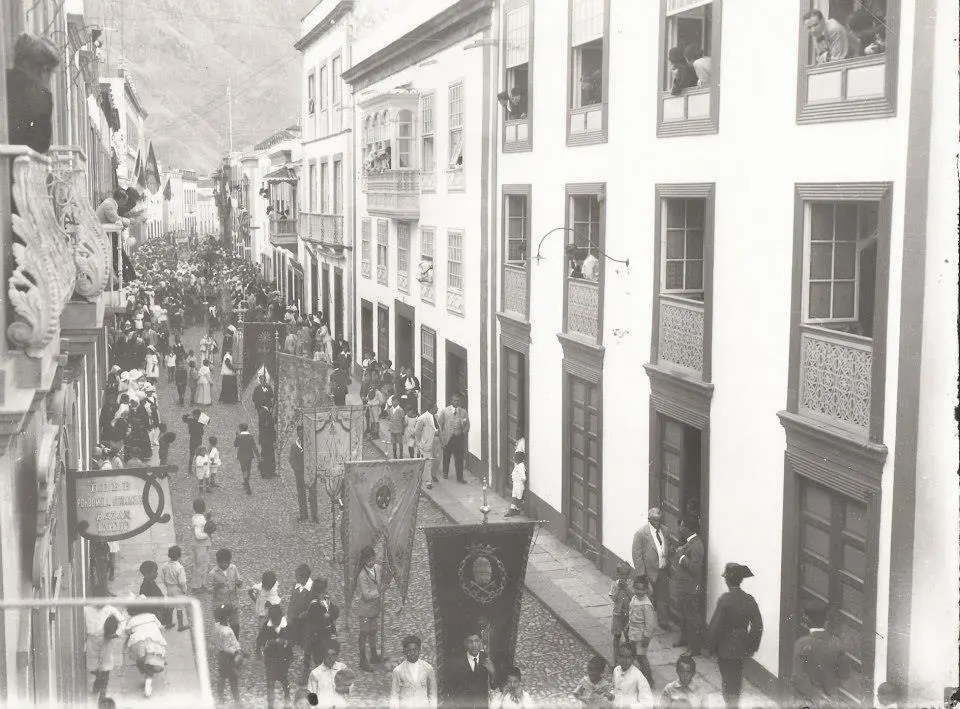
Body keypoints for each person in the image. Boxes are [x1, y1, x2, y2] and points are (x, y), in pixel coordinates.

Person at [706, 563, 763, 708]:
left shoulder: (725, 599)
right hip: (742, 647)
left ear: (727, 580)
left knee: (727, 680)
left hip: (725, 648)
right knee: (737, 678)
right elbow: (758, 626)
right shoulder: (749, 599)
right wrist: (751, 645)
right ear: (740, 580)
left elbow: (715, 627)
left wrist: (710, 647)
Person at [791, 601, 851, 709]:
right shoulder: (837, 643)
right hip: (832, 701)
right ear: (825, 621)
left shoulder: (802, 644)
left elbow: (797, 676)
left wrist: (815, 696)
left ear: (806, 620)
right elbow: (845, 674)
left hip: (809, 701)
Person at [6, 33, 59, 154]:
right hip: (17, 170)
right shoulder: (42, 97)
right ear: (43, 70)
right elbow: (40, 146)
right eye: (51, 73)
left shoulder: (3, 80)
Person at [631, 508, 672, 630]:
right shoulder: (641, 533)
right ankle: (643, 623)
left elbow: (667, 547)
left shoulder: (665, 531)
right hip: (648, 573)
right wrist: (642, 574)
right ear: (649, 519)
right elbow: (637, 555)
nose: (657, 523)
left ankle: (663, 622)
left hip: (662, 570)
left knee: (663, 598)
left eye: (659, 520)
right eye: (655, 521)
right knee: (646, 598)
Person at [672, 521, 704, 656]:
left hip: (690, 588)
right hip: (684, 587)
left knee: (691, 618)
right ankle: (685, 639)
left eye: (682, 525)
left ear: (688, 528)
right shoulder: (690, 542)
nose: (680, 528)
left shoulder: (696, 545)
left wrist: (682, 557)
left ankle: (694, 648)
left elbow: (695, 569)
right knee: (684, 615)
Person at [122, 603, 168, 698]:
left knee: (140, 660)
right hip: (153, 641)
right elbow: (161, 628)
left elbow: (128, 632)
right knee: (152, 664)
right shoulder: (152, 616)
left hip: (139, 642)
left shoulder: (131, 620)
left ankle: (145, 672)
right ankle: (148, 682)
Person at [257, 603, 294, 709]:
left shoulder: (287, 625)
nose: (274, 623)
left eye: (276, 620)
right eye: (272, 620)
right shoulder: (266, 625)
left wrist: (285, 641)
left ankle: (287, 697)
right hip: (270, 658)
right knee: (270, 680)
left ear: (281, 617)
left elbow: (294, 639)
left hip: (285, 658)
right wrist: (269, 642)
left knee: (283, 677)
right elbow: (260, 640)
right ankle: (270, 703)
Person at [447, 630, 497, 709]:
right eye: (470, 642)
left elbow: (494, 686)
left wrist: (493, 672)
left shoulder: (486, 659)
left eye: (477, 641)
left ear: (480, 642)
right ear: (465, 643)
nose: (474, 645)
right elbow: (451, 688)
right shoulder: (456, 662)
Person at [287, 564, 318, 684]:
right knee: (295, 641)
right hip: (295, 622)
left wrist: (306, 614)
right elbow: (292, 601)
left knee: (308, 647)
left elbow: (314, 607)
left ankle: (306, 672)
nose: (295, 578)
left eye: (297, 576)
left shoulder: (312, 589)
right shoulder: (296, 586)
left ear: (303, 577)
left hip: (307, 624)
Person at [85, 605, 124, 698]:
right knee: (92, 667)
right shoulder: (86, 610)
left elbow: (122, 621)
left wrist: (117, 633)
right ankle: (98, 679)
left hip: (106, 639)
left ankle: (103, 692)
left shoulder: (110, 609)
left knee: (106, 666)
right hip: (92, 640)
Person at [390, 634, 438, 709]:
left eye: (415, 650)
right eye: (409, 650)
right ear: (404, 651)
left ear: (419, 650)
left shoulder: (428, 668)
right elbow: (394, 696)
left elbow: (433, 693)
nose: (412, 653)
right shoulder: (398, 671)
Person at [354, 545, 382, 672]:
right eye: (368, 560)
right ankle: (362, 659)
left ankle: (374, 655)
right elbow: (366, 594)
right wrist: (380, 592)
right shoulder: (362, 575)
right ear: (364, 561)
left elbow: (381, 579)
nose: (371, 562)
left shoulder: (377, 568)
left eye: (373, 559)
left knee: (373, 631)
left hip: (375, 608)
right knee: (364, 632)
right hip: (365, 610)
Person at [206, 548, 243, 642]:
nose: (225, 564)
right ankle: (224, 645)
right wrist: (216, 587)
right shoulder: (213, 573)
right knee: (222, 627)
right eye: (222, 562)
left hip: (233, 603)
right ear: (218, 562)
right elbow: (208, 590)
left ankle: (235, 642)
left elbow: (239, 581)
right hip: (220, 605)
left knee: (235, 625)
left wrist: (239, 583)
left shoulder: (233, 568)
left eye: (227, 562)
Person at [627, 575, 657, 689]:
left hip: (642, 635)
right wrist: (628, 625)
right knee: (634, 654)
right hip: (633, 632)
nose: (639, 592)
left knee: (641, 656)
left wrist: (646, 636)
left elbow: (650, 624)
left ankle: (649, 678)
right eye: (637, 589)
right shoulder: (634, 598)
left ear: (646, 590)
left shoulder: (646, 604)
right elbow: (631, 613)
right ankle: (636, 675)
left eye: (642, 589)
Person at [213, 603, 244, 706]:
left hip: (221, 656)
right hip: (228, 657)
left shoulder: (217, 625)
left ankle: (220, 698)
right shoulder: (227, 631)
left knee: (222, 676)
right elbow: (227, 647)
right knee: (233, 679)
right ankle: (237, 701)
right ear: (227, 616)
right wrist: (237, 652)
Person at [611, 642, 653, 709]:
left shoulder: (638, 677)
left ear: (633, 659)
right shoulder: (616, 670)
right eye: (621, 656)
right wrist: (612, 695)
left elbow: (648, 704)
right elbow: (616, 689)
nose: (624, 660)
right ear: (617, 657)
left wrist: (631, 706)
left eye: (628, 657)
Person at [439, 393, 470, 483]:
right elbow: (440, 424)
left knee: (459, 458)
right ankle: (445, 472)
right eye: (454, 400)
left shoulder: (463, 412)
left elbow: (467, 424)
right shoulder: (445, 411)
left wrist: (463, 433)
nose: (456, 402)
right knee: (446, 456)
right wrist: (442, 437)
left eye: (457, 401)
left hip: (458, 438)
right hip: (448, 438)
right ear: (451, 401)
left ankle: (460, 477)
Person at [159, 546, 191, 632]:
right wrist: (184, 590)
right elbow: (182, 582)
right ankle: (180, 626)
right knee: (179, 608)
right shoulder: (180, 568)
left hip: (169, 588)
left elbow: (162, 577)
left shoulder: (165, 565)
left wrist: (167, 585)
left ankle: (168, 623)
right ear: (179, 556)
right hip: (177, 589)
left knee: (170, 606)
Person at [290, 426, 317, 523]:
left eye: (303, 433)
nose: (301, 435)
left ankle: (315, 516)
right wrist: (296, 469)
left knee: (313, 495)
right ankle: (303, 515)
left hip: (310, 473)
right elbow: (291, 460)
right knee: (301, 495)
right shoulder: (294, 446)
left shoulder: (310, 445)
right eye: (300, 433)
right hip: (299, 474)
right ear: (297, 434)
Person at [307, 639, 347, 705]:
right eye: (327, 655)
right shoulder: (315, 673)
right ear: (323, 656)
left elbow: (347, 691)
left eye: (333, 655)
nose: (330, 658)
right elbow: (311, 696)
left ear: (337, 655)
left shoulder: (343, 669)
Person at [609, 562, 633, 663]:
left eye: (626, 575)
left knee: (628, 637)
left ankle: (628, 659)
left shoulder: (631, 583)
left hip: (628, 615)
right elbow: (613, 598)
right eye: (621, 574)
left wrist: (626, 588)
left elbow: (632, 597)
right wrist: (619, 588)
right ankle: (615, 659)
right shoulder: (614, 584)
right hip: (617, 615)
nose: (624, 577)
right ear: (618, 574)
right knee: (617, 636)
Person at [414, 403, 441, 489]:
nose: (437, 408)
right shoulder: (422, 418)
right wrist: (419, 444)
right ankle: (428, 481)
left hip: (436, 441)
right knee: (428, 462)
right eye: (436, 407)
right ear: (432, 408)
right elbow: (417, 431)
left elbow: (439, 429)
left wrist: (442, 440)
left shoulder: (436, 416)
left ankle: (433, 474)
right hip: (426, 442)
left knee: (437, 459)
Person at [190, 499, 212, 592]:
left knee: (203, 565)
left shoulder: (197, 517)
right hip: (200, 545)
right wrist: (208, 533)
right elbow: (198, 535)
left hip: (201, 545)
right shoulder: (199, 520)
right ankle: (196, 586)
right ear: (203, 507)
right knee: (201, 566)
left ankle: (201, 584)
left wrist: (208, 518)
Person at [235, 422, 260, 496]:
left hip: (241, 456)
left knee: (244, 470)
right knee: (248, 470)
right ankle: (246, 481)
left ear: (241, 429)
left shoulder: (239, 436)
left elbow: (235, 444)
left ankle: (247, 484)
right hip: (249, 456)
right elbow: (254, 447)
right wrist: (258, 456)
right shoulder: (250, 436)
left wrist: (236, 436)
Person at [505, 450, 526, 517]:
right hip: (516, 484)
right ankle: (513, 510)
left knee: (517, 498)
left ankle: (515, 510)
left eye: (515, 457)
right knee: (514, 497)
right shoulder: (518, 465)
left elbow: (523, 477)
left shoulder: (520, 466)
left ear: (519, 459)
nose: (514, 458)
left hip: (519, 484)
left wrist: (520, 481)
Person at [388, 395, 406, 459]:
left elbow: (403, 420)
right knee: (393, 442)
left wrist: (403, 429)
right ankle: (394, 454)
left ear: (398, 402)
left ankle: (401, 455)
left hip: (399, 429)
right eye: (393, 401)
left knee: (400, 442)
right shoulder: (390, 409)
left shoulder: (400, 410)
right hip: (392, 429)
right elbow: (390, 419)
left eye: (396, 401)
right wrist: (389, 427)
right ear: (391, 402)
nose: (394, 403)